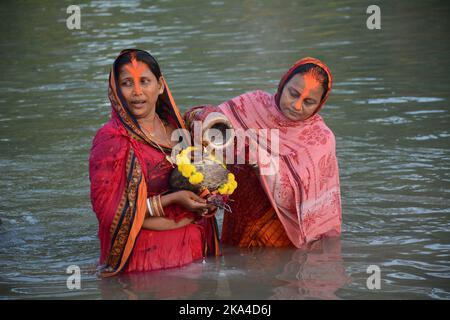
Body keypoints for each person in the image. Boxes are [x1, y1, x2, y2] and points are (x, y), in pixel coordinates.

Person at [185, 57, 341, 248]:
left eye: (309, 102)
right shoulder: (254, 103)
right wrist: (205, 116)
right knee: (236, 264)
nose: (297, 105)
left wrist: (259, 159)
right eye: (293, 94)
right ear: (282, 85)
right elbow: (211, 125)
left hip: (282, 233)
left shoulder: (321, 138)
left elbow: (310, 203)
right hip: (240, 216)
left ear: (320, 104)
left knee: (273, 272)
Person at [89, 49, 219, 277]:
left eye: (144, 81)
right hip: (146, 261)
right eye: (127, 83)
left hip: (196, 252)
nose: (137, 92)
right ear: (115, 91)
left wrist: (212, 196)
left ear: (159, 86)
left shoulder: (180, 129)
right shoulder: (112, 139)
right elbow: (109, 213)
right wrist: (172, 200)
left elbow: (215, 173)